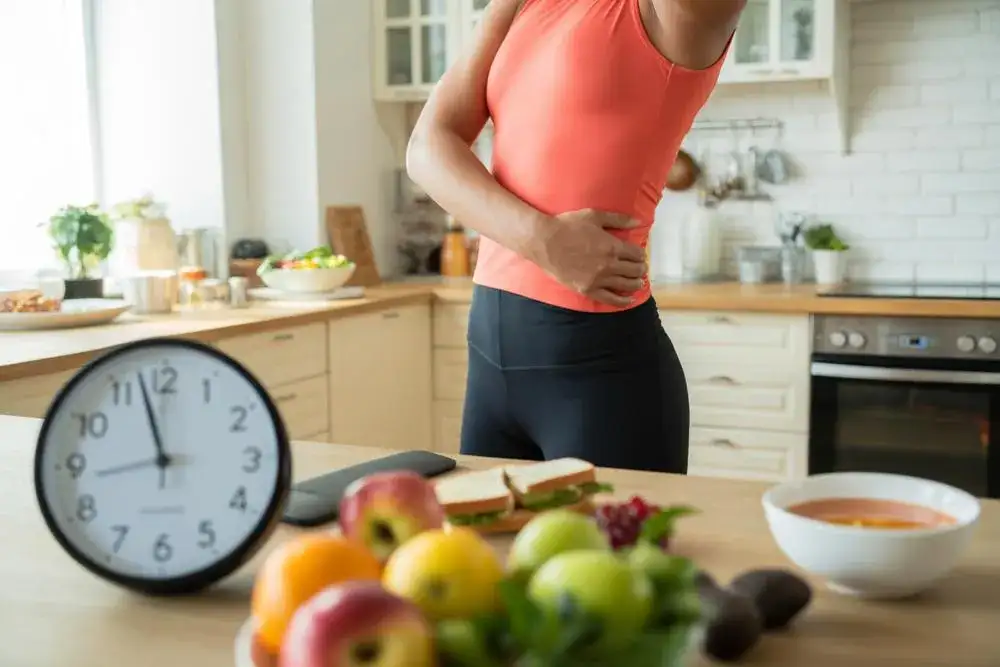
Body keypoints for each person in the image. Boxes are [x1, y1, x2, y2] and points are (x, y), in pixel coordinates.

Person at [406, 0, 746, 473]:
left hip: (601, 376)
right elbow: (428, 147)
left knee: (612, 550)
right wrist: (544, 240)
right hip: (488, 361)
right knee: (493, 549)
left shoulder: (673, 13)